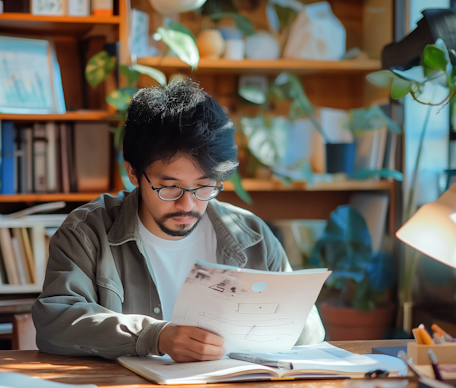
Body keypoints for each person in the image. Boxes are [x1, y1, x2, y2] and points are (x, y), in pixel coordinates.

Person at [32, 78, 325, 362]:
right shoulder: (87, 233)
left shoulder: (251, 236)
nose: (188, 203)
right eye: (169, 187)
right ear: (134, 173)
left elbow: (310, 332)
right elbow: (55, 322)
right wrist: (153, 336)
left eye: (203, 186)